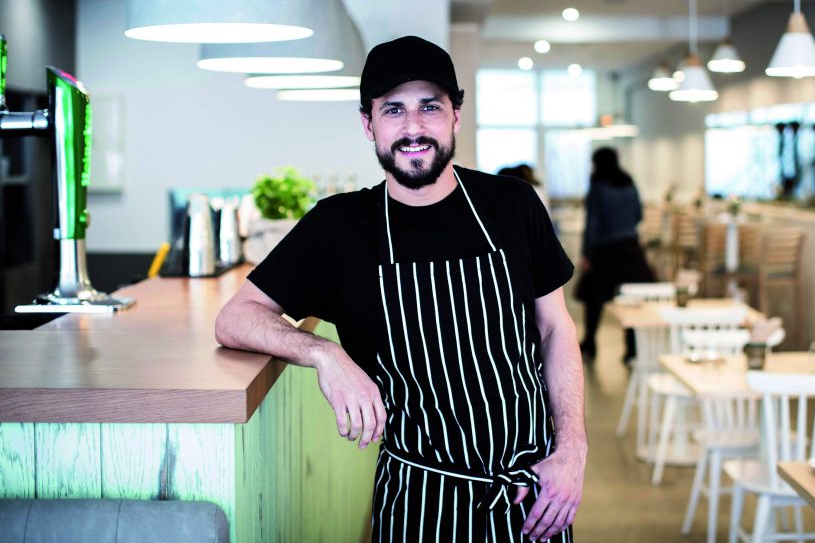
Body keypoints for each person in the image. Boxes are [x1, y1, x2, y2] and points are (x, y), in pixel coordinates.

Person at [216, 35, 586, 542]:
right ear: (368, 124)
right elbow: (236, 317)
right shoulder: (340, 226)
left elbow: (556, 329)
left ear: (456, 116)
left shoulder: (512, 205)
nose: (413, 127)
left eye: (430, 106)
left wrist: (572, 448)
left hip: (534, 495)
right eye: (393, 109)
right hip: (420, 500)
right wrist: (324, 354)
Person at [575, 147, 656, 360]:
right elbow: (638, 216)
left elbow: (592, 224)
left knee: (594, 299)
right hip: (630, 248)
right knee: (632, 299)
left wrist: (586, 253)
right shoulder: (628, 182)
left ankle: (590, 343)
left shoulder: (598, 185)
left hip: (605, 250)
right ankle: (631, 348)